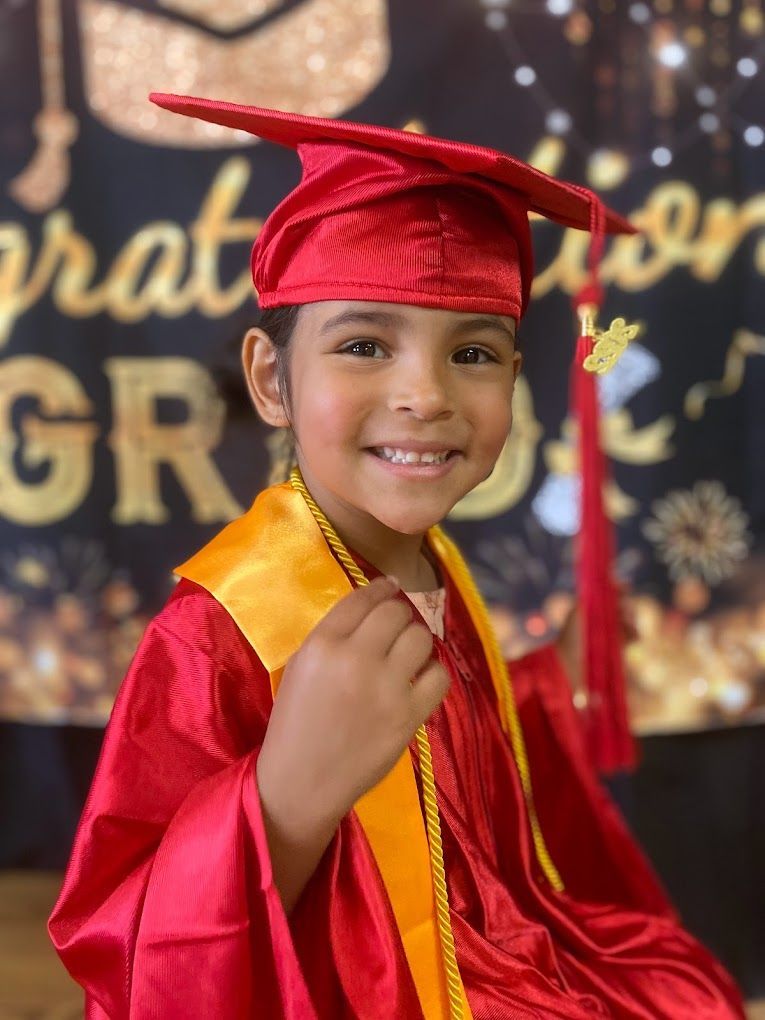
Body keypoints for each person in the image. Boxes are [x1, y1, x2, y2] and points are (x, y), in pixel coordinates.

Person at [49, 95, 744, 1019]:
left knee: (681, 987)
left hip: (490, 947)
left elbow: (470, 813)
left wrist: (536, 687)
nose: (425, 394)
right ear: (271, 379)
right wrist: (289, 793)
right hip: (340, 990)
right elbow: (131, 953)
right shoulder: (218, 630)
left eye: (474, 353)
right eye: (365, 345)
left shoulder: (436, 564)